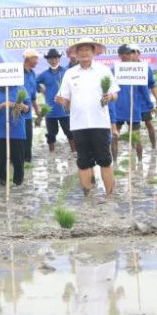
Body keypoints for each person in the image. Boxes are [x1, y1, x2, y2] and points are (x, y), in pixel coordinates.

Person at [56, 37, 119, 196]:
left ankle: (109, 195)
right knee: (83, 162)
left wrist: (109, 97)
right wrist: (61, 101)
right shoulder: (70, 73)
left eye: (87, 50)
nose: (84, 53)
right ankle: (88, 196)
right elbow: (66, 101)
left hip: (100, 123)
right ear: (76, 54)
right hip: (78, 124)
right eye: (80, 50)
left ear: (94, 52)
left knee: (105, 160)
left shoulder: (103, 70)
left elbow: (114, 94)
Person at [110, 44, 146, 161]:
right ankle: (114, 162)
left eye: (130, 53)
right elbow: (109, 90)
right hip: (117, 109)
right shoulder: (113, 70)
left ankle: (140, 162)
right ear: (120, 55)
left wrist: (148, 105)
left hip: (134, 109)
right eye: (126, 53)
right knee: (114, 136)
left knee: (136, 137)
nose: (129, 55)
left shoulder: (139, 69)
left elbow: (143, 89)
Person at [36, 48, 74, 152]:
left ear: (59, 59)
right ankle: (51, 156)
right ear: (47, 60)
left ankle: (74, 153)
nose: (53, 60)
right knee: (51, 135)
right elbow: (34, 83)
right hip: (50, 110)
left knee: (70, 133)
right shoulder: (44, 74)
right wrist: (40, 89)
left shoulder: (67, 72)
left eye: (55, 58)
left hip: (65, 109)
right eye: (51, 59)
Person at [0, 85, 27, 186]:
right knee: (0, 160)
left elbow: (27, 108)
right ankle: (2, 183)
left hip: (17, 130)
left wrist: (21, 106)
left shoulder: (21, 89)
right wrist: (3, 105)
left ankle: (18, 183)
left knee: (18, 159)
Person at [133, 45, 157, 150]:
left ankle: (153, 145)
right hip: (131, 103)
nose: (133, 55)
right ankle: (136, 148)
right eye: (130, 52)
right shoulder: (124, 69)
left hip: (144, 102)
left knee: (148, 123)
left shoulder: (146, 67)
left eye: (135, 52)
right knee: (134, 128)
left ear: (139, 54)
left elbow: (152, 85)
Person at [21, 49, 40, 163]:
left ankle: (27, 160)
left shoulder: (32, 73)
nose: (37, 61)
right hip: (17, 109)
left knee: (28, 136)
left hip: (28, 111)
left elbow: (33, 95)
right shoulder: (18, 72)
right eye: (35, 59)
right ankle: (17, 160)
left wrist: (37, 110)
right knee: (18, 136)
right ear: (28, 59)